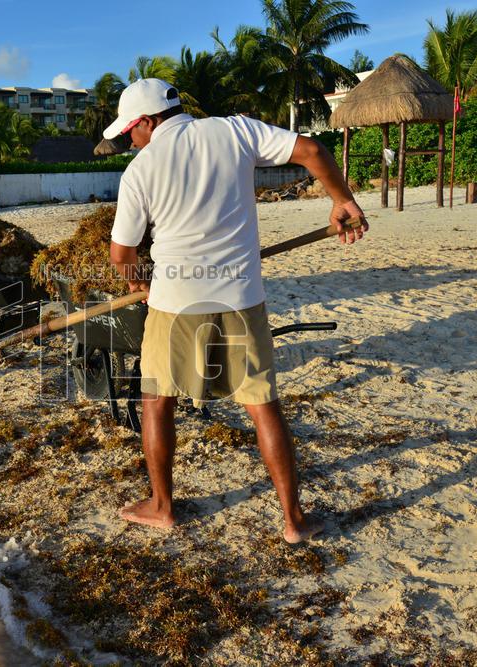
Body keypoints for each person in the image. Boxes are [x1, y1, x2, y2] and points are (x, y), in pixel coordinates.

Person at [106, 79, 368, 542]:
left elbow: (121, 253)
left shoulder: (141, 170)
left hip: (174, 302)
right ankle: (293, 520)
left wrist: (137, 284)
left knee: (157, 401)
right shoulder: (235, 131)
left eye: (130, 132)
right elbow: (311, 151)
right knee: (263, 405)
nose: (131, 142)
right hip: (241, 299)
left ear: (146, 121)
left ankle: (162, 507)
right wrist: (342, 200)